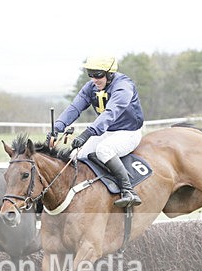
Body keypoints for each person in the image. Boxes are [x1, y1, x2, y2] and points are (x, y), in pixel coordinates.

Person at [49, 56, 144, 207]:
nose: (94, 79)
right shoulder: (91, 87)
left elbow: (110, 113)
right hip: (107, 132)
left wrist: (87, 133)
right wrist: (57, 128)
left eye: (98, 75)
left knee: (104, 150)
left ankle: (129, 191)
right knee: (75, 155)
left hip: (128, 132)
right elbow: (75, 108)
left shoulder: (123, 86)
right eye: (90, 74)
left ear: (110, 73)